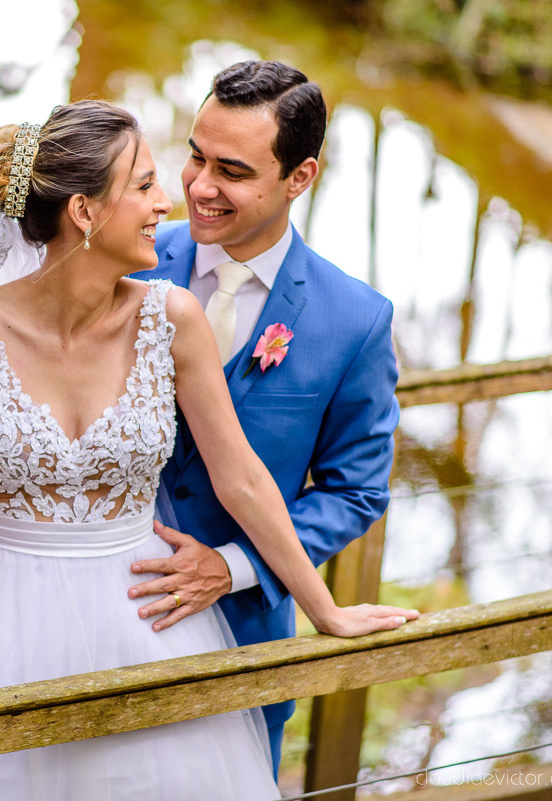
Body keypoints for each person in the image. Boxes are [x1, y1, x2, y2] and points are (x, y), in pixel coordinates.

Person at [0, 99, 417, 801]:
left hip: (145, 618)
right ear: (85, 213)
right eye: (146, 184)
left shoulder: (173, 317)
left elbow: (241, 477)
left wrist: (327, 611)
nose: (171, 201)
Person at [123, 60, 403, 772]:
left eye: (232, 170)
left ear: (299, 177)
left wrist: (235, 565)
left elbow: (354, 489)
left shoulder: (355, 321)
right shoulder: (128, 258)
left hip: (243, 646)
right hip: (96, 614)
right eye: (194, 155)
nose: (198, 187)